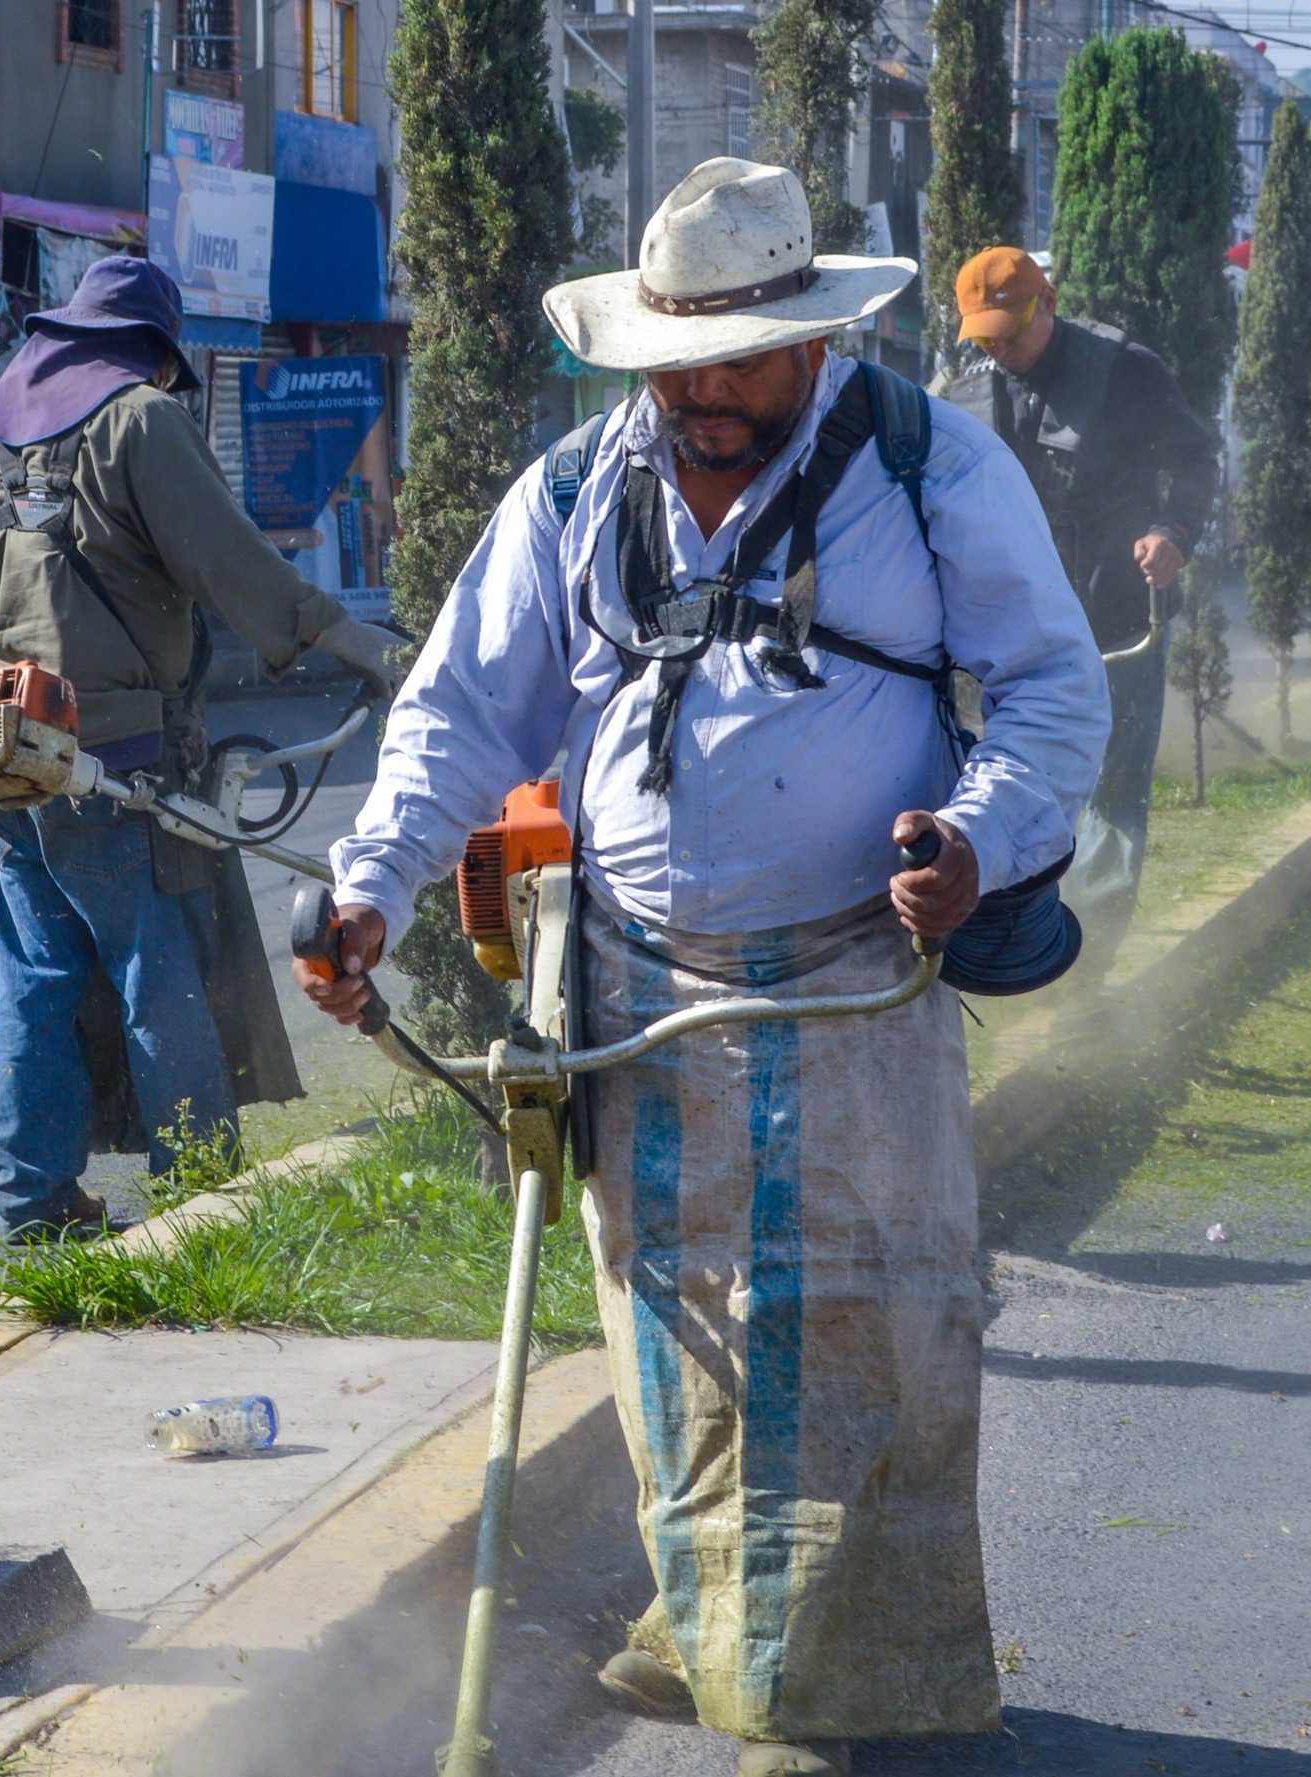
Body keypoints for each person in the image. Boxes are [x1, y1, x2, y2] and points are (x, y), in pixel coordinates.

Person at [296, 160, 1108, 1777]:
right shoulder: (582, 488)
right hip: (634, 981)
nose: (708, 396)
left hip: (850, 974)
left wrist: (972, 839)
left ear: (813, 341)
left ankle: (815, 1683)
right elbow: (462, 709)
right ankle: (719, 1621)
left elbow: (1050, 695)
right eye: (680, 365)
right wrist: (367, 886)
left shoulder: (928, 468)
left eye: (740, 361)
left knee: (850, 1319)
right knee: (681, 1328)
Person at [0, 255, 400, 1240]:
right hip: (113, 762)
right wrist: (358, 644)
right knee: (158, 964)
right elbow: (231, 565)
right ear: (145, 353)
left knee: (35, 977)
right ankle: (202, 1200)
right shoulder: (138, 421)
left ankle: (34, 1205)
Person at [944, 245, 1216, 956]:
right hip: (1013, 636)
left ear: (1049, 303)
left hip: (1117, 621)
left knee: (1112, 795)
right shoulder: (962, 391)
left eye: (1012, 330)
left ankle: (1088, 962)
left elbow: (1194, 457)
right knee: (1013, 788)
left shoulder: (1126, 369)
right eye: (986, 337)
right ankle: (1025, 942)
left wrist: (1173, 532)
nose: (1001, 348)